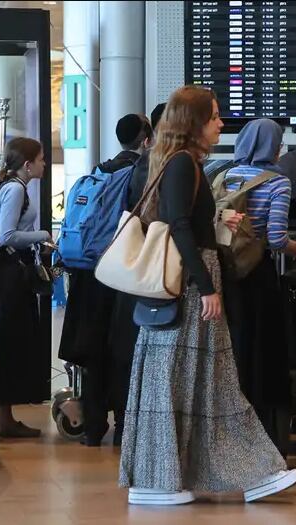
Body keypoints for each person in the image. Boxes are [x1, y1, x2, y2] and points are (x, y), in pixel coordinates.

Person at [119, 86, 296, 506]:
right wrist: (206, 287)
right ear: (195, 123)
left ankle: (231, 473)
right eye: (215, 116)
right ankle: (243, 473)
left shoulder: (180, 163)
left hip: (183, 284)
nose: (221, 124)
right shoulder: (184, 165)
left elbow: (180, 220)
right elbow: (180, 225)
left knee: (197, 383)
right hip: (189, 284)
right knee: (203, 382)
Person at [58, 113, 154, 447]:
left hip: (87, 272)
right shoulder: (138, 174)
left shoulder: (97, 172)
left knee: (93, 350)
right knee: (121, 350)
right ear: (145, 140)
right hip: (119, 272)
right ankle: (126, 427)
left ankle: (93, 427)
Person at [225, 118, 296, 456]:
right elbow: (275, 239)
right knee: (265, 357)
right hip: (258, 277)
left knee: (234, 353)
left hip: (227, 275)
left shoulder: (224, 174)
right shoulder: (278, 182)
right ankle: (263, 437)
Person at [0, 137, 51, 438]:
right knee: (9, 341)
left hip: (5, 277)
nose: (44, 163)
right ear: (27, 164)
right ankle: (4, 417)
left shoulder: (8, 188)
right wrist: (42, 235)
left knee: (5, 340)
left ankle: (4, 416)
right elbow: (6, 236)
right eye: (41, 158)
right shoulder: (15, 190)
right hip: (10, 278)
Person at [105, 103, 167, 447]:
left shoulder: (119, 168)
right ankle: (139, 431)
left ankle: (126, 425)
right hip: (153, 270)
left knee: (129, 349)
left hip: (126, 267)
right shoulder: (159, 165)